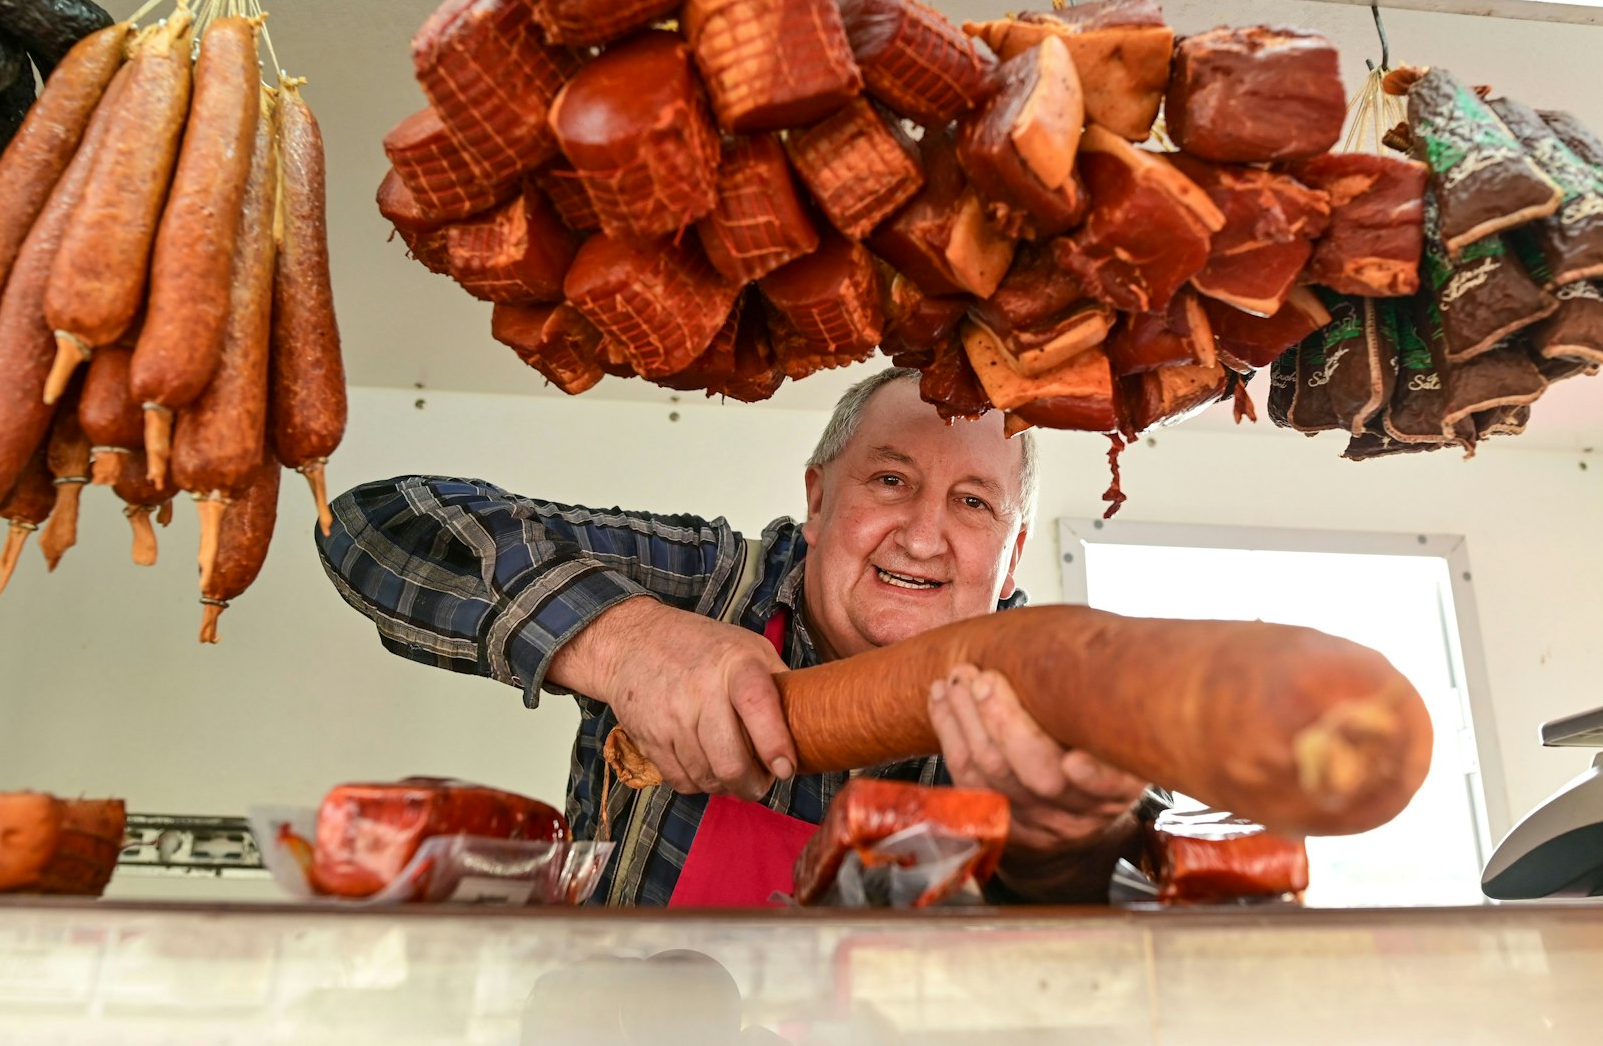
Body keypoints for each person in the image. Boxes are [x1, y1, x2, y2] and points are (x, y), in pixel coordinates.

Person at [318, 366, 1153, 905]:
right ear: (818, 500)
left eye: (973, 502)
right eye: (890, 479)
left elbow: (1145, 900)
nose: (923, 535)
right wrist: (624, 641)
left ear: (1013, 553)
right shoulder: (712, 580)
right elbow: (372, 527)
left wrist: (1069, 845)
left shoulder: (1050, 685)